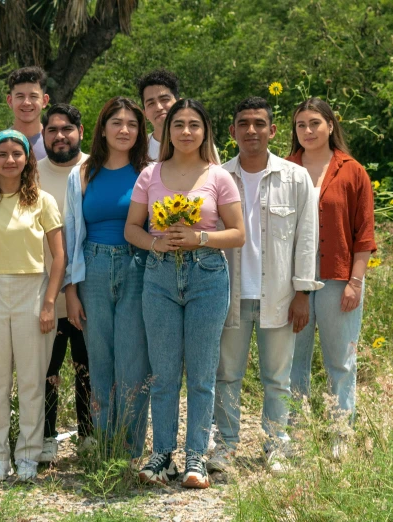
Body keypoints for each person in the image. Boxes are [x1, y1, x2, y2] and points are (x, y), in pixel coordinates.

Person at [126, 99, 245, 488]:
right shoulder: (150, 174)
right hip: (159, 275)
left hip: (207, 275)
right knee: (162, 374)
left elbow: (238, 234)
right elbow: (132, 229)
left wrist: (201, 238)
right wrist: (155, 245)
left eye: (194, 124)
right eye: (179, 124)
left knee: (201, 372)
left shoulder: (219, 176)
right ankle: (162, 455)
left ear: (205, 130)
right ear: (167, 131)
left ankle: (195, 456)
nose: (186, 132)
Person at [210, 97, 323, 474]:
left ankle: (277, 446)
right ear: (232, 132)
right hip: (230, 295)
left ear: (273, 130)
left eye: (260, 123)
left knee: (278, 377)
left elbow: (307, 238)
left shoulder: (295, 177)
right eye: (244, 123)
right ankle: (224, 447)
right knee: (226, 375)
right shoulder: (219, 177)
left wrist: (303, 292)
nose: (252, 130)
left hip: (280, 294)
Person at [0, 130, 65, 482]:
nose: (10, 159)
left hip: (32, 291)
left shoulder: (42, 200)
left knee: (32, 380)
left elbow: (59, 256)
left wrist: (50, 303)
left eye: (16, 154)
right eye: (2, 153)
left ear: (27, 159)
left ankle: (28, 455)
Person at [63, 97, 151, 465]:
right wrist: (71, 290)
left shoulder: (150, 171)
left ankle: (129, 451)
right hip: (94, 268)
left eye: (132, 123)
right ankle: (104, 447)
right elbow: (71, 233)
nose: (124, 130)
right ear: (102, 128)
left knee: (133, 361)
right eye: (116, 122)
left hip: (138, 267)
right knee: (99, 361)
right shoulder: (83, 173)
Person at [287, 98, 376, 457]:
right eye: (300, 125)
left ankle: (340, 437)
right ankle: (290, 439)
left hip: (339, 278)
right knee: (292, 362)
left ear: (330, 125)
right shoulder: (283, 168)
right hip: (292, 282)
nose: (307, 131)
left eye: (314, 124)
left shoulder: (352, 170)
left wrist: (356, 282)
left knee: (340, 361)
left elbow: (364, 234)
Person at [35, 104, 93, 463]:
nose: (60, 136)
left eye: (67, 129)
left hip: (89, 287)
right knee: (47, 367)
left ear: (81, 131)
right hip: (44, 289)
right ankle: (45, 436)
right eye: (53, 130)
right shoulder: (30, 173)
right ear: (43, 135)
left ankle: (89, 434)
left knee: (88, 365)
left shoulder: (95, 168)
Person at [137, 69, 220, 164]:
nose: (159, 107)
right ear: (145, 113)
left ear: (179, 103)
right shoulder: (139, 148)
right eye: (151, 103)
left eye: (164, 99)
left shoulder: (199, 144)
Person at [2, 66, 50, 160]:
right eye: (20, 96)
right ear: (10, 101)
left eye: (33, 96)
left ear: (44, 100)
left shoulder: (56, 144)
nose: (26, 103)